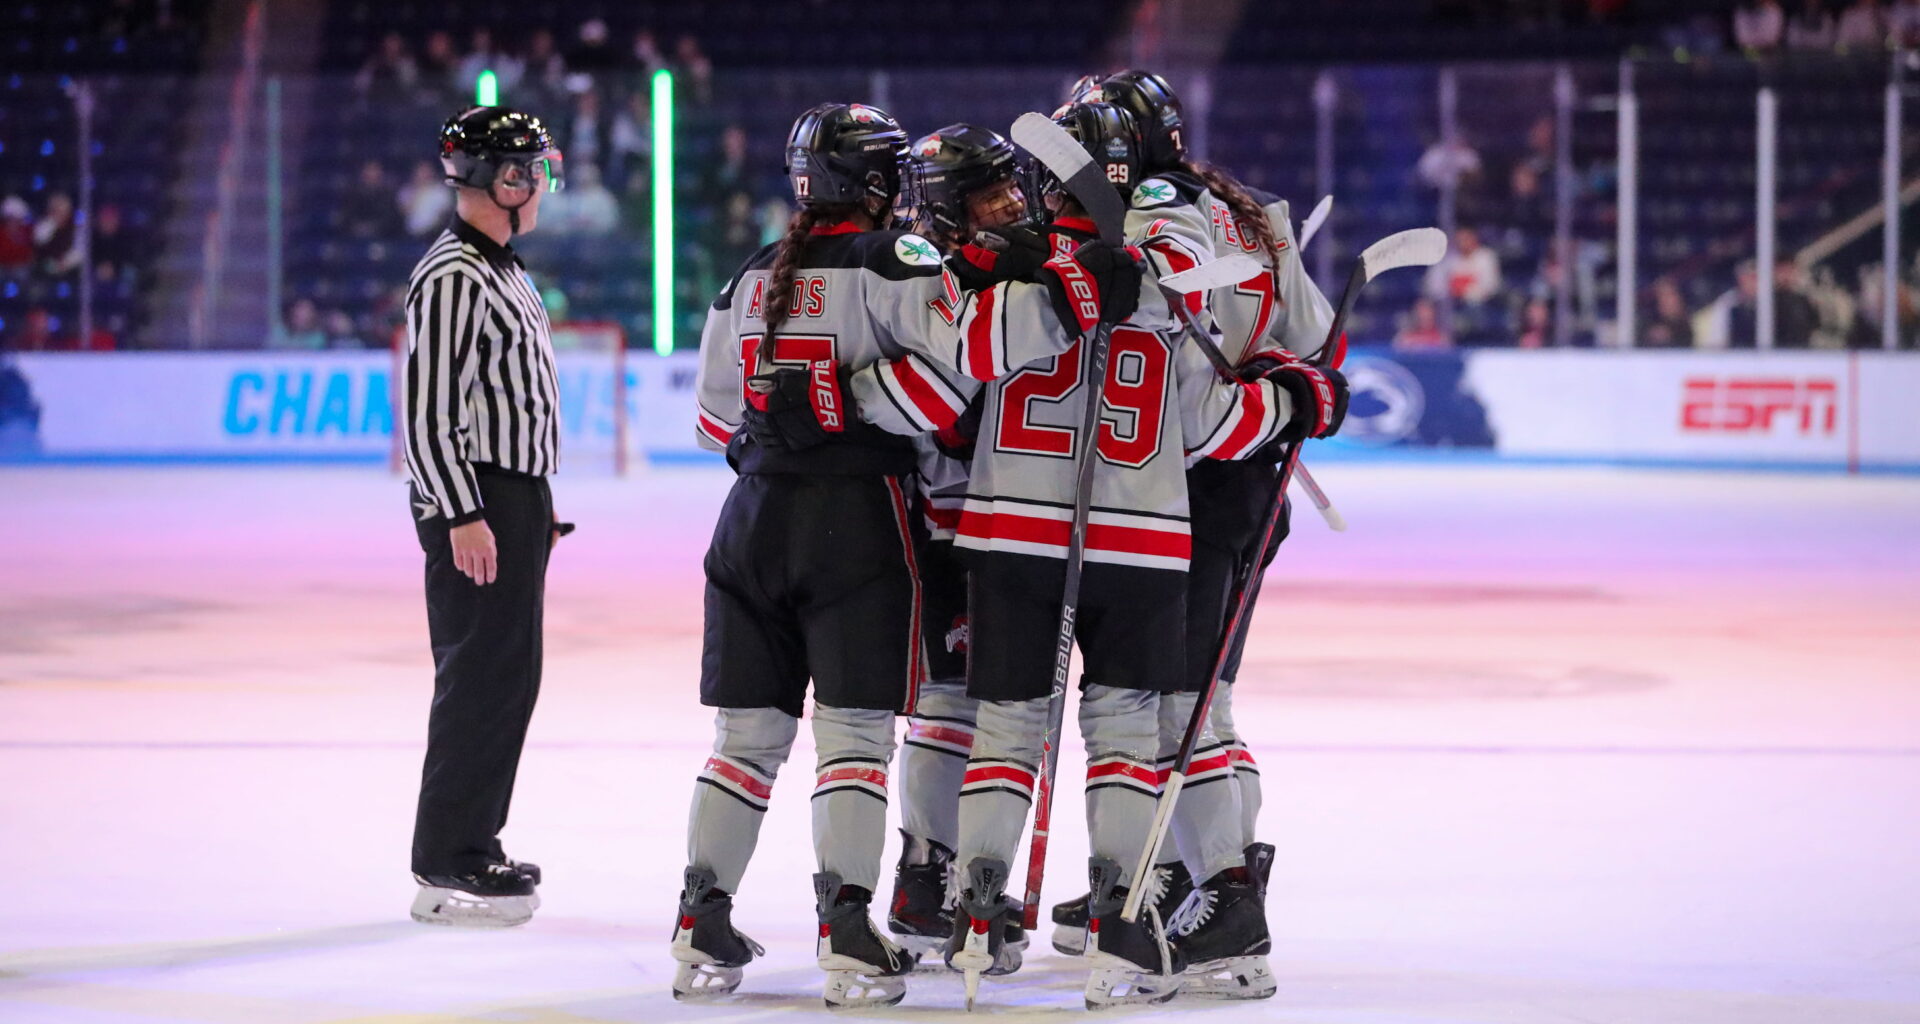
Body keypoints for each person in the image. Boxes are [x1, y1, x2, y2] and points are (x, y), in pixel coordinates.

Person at [673, 100, 1142, 1010]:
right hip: (858, 517)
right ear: (882, 183)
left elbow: (712, 424)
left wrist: (798, 417)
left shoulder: (748, 275)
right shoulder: (899, 260)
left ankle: (702, 915)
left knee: (743, 741)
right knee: (853, 738)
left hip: (747, 520)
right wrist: (1079, 289)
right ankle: (848, 926)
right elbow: (960, 370)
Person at [1050, 69, 1339, 1002]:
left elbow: (1187, 386)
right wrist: (1285, 398)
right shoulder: (1244, 206)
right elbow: (1317, 340)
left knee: (1179, 705)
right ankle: (1200, 875)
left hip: (1198, 488)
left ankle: (1221, 894)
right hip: (1251, 491)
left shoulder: (1162, 211)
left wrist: (1242, 413)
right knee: (1206, 702)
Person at [401, 106, 568, 928]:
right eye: (533, 168)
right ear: (505, 180)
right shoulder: (455, 275)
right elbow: (429, 416)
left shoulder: (503, 266)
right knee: (479, 679)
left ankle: (475, 842)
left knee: (508, 678)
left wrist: (535, 505)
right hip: (479, 501)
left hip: (513, 499)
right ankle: (448, 859)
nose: (542, 183)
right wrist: (467, 513)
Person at [881, 123, 1034, 968]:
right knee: (954, 704)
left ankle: (950, 875)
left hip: (1017, 521)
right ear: (948, 208)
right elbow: (945, 404)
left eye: (1012, 185)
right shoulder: (929, 276)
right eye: (989, 192)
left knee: (1006, 711)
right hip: (953, 520)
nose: (1011, 201)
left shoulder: (1013, 260)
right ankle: (926, 873)